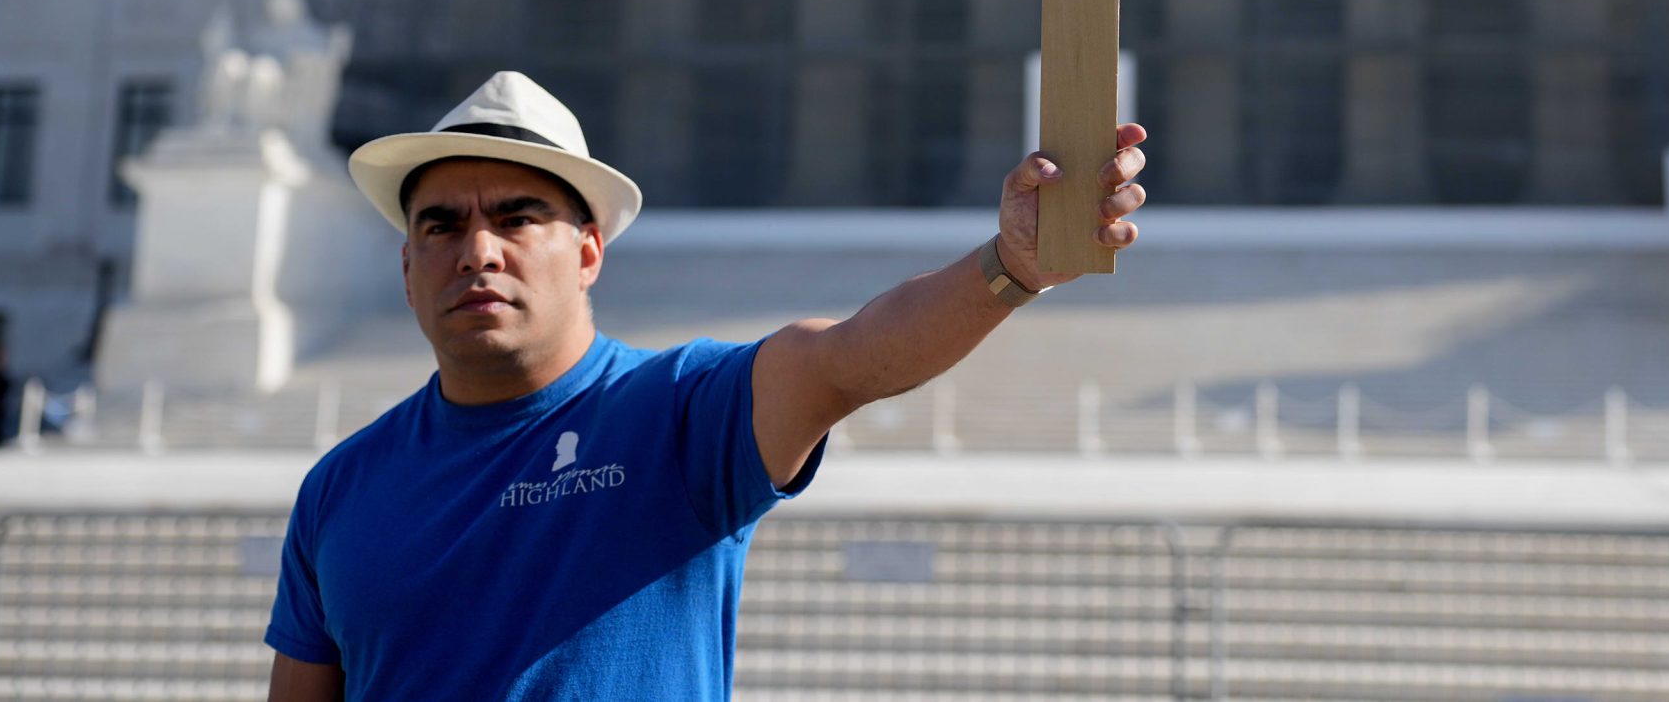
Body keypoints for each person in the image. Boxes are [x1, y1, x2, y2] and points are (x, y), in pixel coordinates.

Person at [265, 70, 1147, 701]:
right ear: (407, 267)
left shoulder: (679, 410)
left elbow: (850, 355)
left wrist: (1009, 266)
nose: (478, 251)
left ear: (587, 252)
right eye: (441, 225)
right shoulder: (339, 487)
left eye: (516, 217)